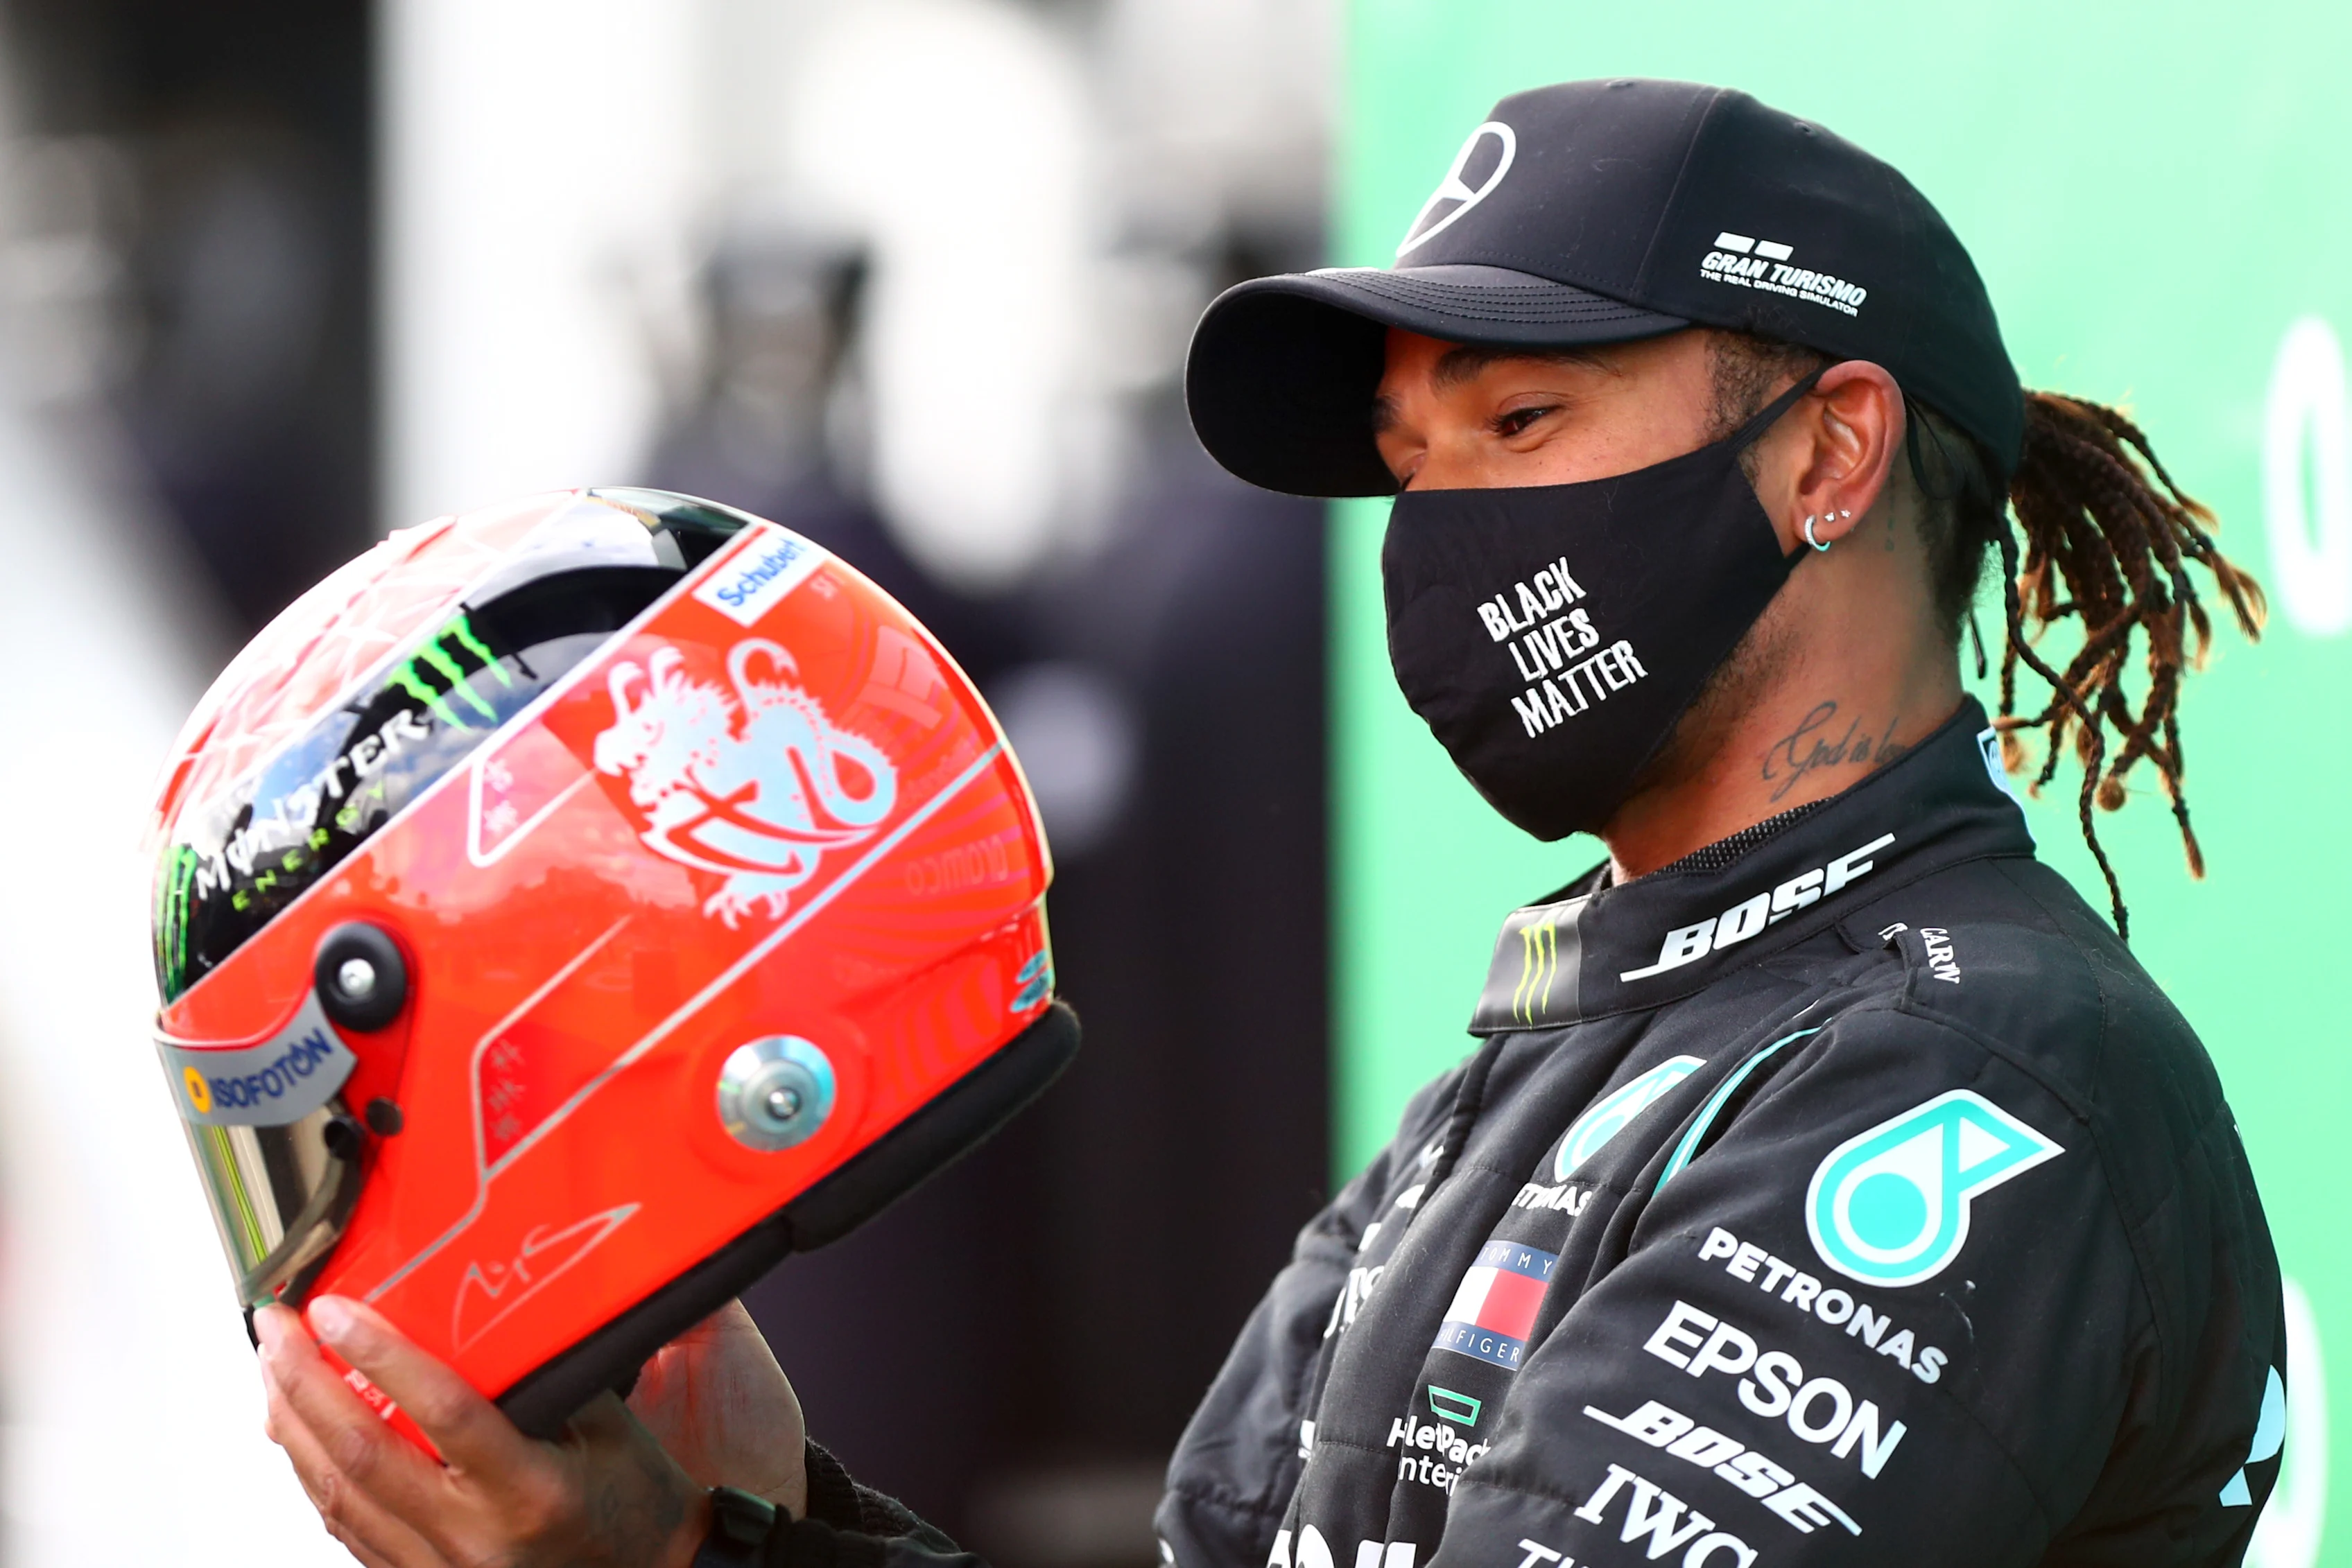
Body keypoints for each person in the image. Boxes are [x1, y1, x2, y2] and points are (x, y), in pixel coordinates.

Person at [255, 78, 2285, 1568]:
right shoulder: (1571, 1048)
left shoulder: (1976, 1080)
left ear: (1828, 452)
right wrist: (759, 1512)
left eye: (1521, 427)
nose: (1443, 534)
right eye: (1410, 464)